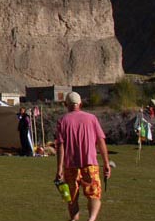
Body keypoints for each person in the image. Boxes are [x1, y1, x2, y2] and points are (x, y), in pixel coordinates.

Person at [55, 92, 111, 221]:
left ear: (66, 104)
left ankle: (74, 219)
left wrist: (59, 169)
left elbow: (60, 146)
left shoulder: (62, 121)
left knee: (71, 198)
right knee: (94, 195)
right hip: (90, 165)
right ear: (80, 103)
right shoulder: (91, 118)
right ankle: (91, 219)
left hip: (70, 166)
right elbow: (100, 141)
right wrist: (106, 163)